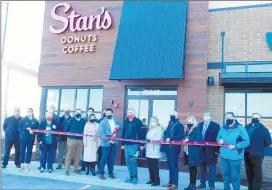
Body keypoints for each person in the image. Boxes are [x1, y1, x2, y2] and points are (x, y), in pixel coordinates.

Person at [217, 112, 250, 190]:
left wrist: (236, 146)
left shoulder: (240, 128)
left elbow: (247, 141)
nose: (228, 119)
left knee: (235, 177)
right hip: (224, 156)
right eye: (227, 118)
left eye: (230, 117)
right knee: (225, 175)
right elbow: (218, 137)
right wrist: (219, 140)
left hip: (235, 156)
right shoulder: (223, 128)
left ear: (234, 118)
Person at [244, 113, 272, 190]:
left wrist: (259, 147)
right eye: (253, 117)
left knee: (257, 175)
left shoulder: (263, 129)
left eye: (257, 117)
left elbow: (268, 142)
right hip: (246, 153)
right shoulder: (247, 127)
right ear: (251, 118)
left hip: (256, 155)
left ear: (260, 119)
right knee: (249, 174)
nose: (255, 118)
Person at [197, 111, 220, 190]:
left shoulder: (216, 126)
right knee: (202, 168)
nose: (206, 117)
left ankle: (212, 185)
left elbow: (218, 138)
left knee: (212, 169)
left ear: (210, 117)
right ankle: (202, 183)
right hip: (201, 151)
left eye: (208, 115)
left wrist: (217, 150)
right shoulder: (199, 125)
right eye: (205, 115)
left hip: (212, 151)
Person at [161, 111, 184, 190]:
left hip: (174, 148)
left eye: (173, 115)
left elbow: (181, 135)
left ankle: (175, 184)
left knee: (174, 166)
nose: (172, 116)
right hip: (168, 147)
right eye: (171, 114)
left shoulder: (179, 125)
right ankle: (170, 182)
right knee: (170, 165)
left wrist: (171, 138)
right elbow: (167, 133)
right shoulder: (170, 123)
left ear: (177, 116)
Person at [121, 108, 145, 185]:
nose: (129, 113)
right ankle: (130, 176)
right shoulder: (125, 121)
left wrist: (142, 144)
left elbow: (142, 133)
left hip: (134, 144)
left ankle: (135, 177)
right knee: (127, 160)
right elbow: (123, 133)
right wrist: (122, 143)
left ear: (134, 113)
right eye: (128, 112)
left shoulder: (138, 121)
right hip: (126, 144)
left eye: (131, 112)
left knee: (133, 160)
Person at [99, 108, 122, 180]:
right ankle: (101, 173)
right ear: (105, 114)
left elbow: (120, 126)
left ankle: (111, 173)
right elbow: (101, 133)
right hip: (106, 143)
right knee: (104, 158)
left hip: (114, 143)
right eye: (107, 113)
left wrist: (118, 126)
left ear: (112, 113)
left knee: (111, 159)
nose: (108, 114)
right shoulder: (103, 122)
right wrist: (109, 140)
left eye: (110, 113)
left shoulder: (116, 120)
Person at [183, 116, 204, 190]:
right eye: (188, 122)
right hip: (188, 152)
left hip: (194, 152)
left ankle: (193, 185)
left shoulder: (197, 129)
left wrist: (189, 139)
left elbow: (199, 140)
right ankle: (190, 185)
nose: (189, 123)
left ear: (194, 122)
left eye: (191, 122)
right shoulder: (187, 130)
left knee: (193, 169)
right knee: (190, 169)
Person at [64, 109, 86, 176]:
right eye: (77, 112)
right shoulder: (71, 120)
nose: (78, 113)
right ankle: (67, 170)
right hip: (71, 139)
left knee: (78, 155)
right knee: (69, 155)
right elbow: (65, 129)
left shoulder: (84, 121)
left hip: (80, 140)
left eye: (79, 112)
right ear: (75, 113)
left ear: (81, 114)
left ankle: (76, 169)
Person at [145, 116, 164, 186]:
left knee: (154, 166)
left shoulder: (159, 129)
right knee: (149, 166)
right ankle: (151, 179)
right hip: (148, 150)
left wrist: (150, 140)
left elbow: (158, 139)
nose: (152, 122)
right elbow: (147, 137)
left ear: (157, 122)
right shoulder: (150, 129)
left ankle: (157, 181)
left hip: (155, 150)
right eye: (151, 121)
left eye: (154, 121)